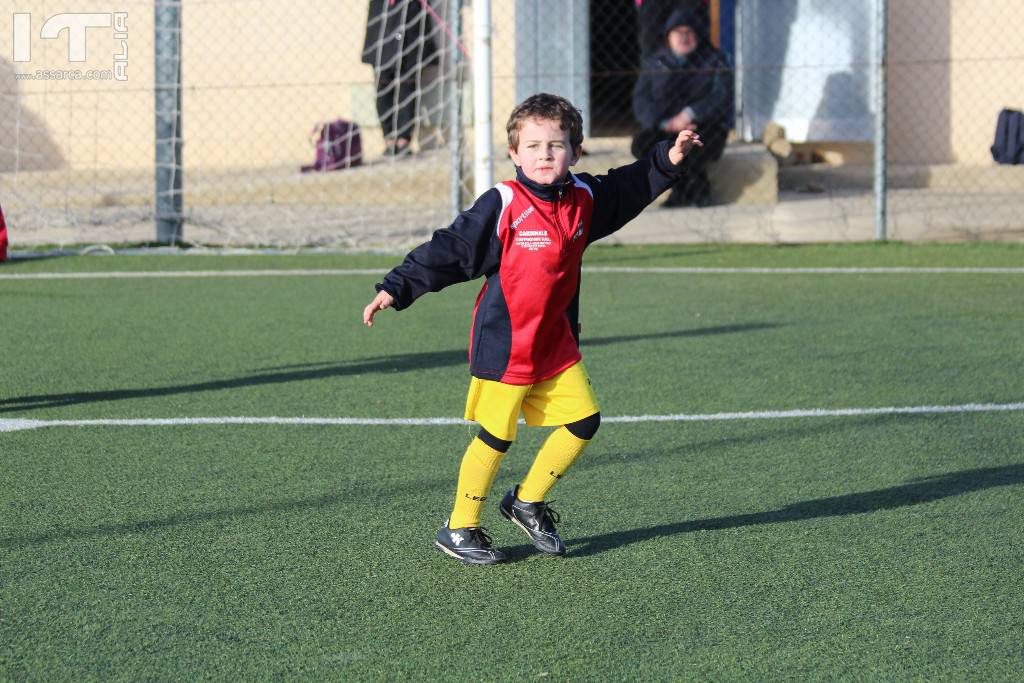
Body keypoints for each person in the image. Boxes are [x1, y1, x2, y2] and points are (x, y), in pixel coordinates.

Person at [361, 93, 702, 565]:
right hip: (506, 347)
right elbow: (453, 248)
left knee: (584, 420)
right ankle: (459, 527)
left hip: (556, 343)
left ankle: (526, 500)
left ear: (575, 153)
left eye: (557, 145)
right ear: (514, 154)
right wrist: (398, 286)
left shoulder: (585, 199)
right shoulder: (503, 203)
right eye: (534, 145)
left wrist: (667, 159)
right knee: (497, 437)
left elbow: (627, 187)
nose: (545, 154)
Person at [631, 7, 732, 207]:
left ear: (698, 35)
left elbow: (721, 97)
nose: (684, 37)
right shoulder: (656, 63)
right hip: (665, 128)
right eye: (679, 32)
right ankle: (695, 191)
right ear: (669, 36)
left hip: (705, 128)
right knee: (643, 144)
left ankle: (685, 194)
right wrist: (667, 123)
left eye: (689, 32)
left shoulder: (714, 60)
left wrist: (689, 114)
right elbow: (641, 101)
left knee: (692, 147)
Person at [361, 0, 439, 157]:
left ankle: (403, 139)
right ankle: (389, 138)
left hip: (410, 18)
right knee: (383, 84)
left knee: (408, 84)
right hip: (384, 18)